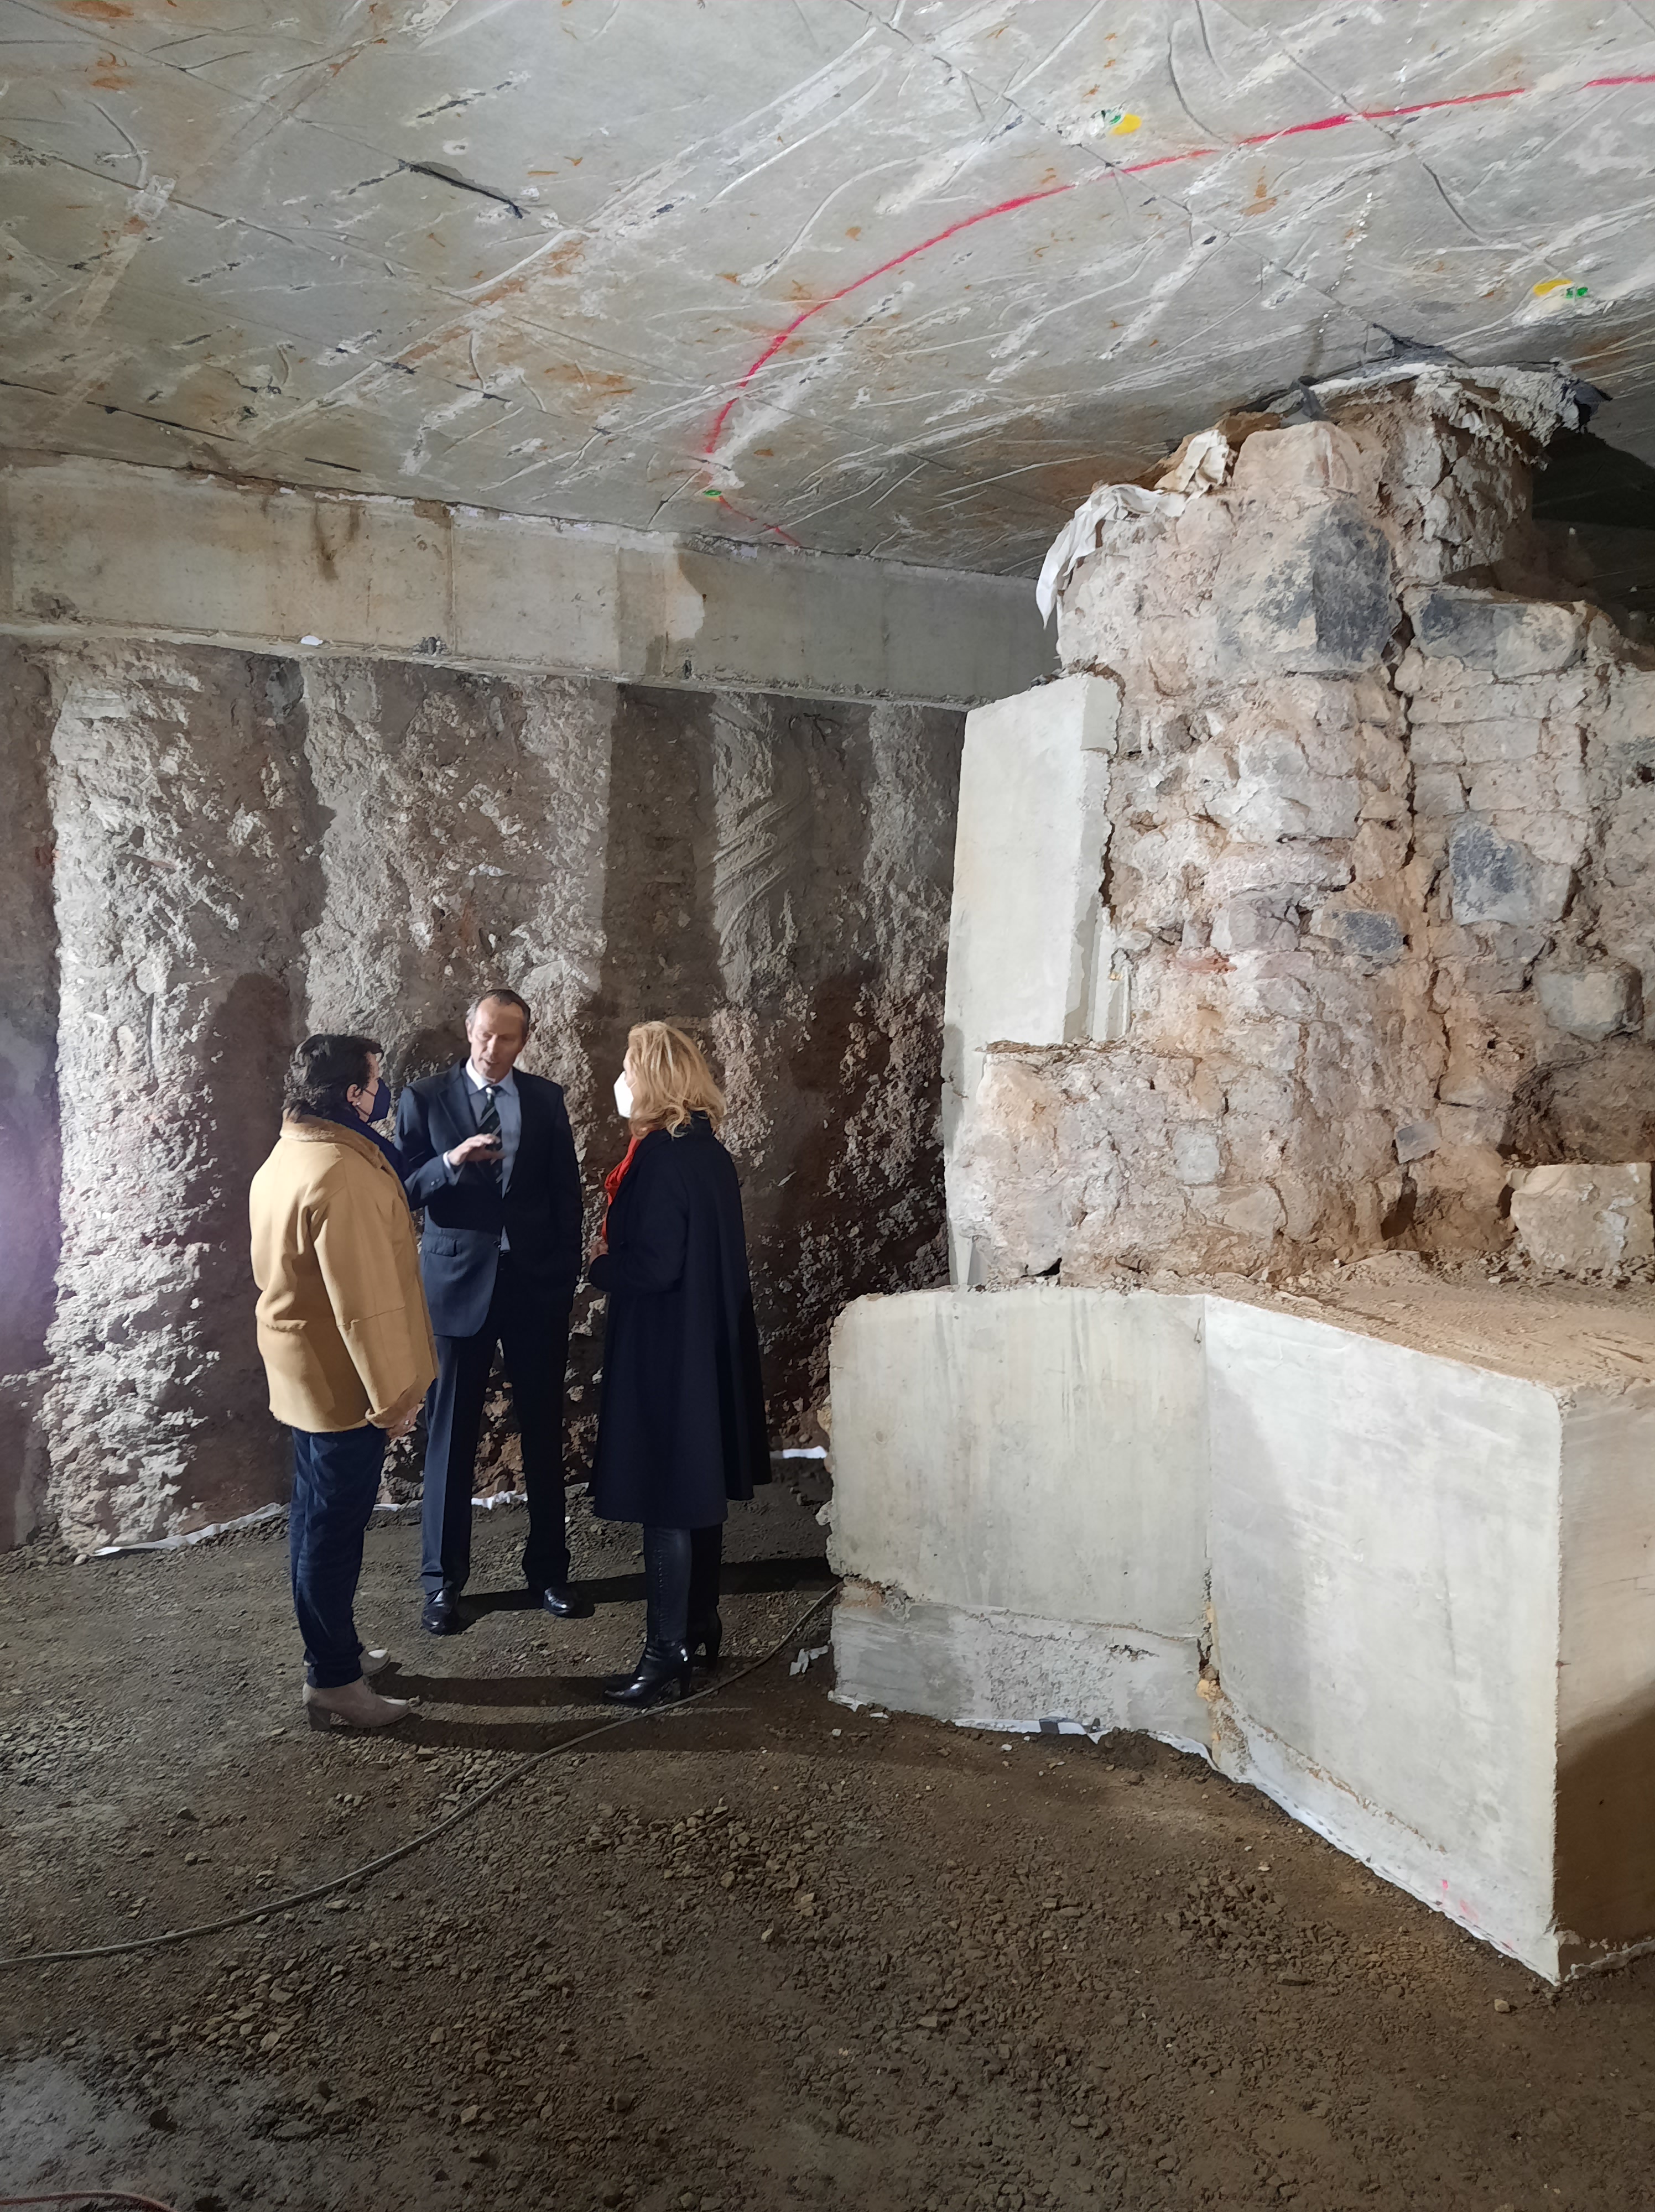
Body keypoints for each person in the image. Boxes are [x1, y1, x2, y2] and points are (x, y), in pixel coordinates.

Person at [250, 1034, 436, 1731]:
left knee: (313, 1518)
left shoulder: (290, 1152)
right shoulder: (342, 1173)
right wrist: (394, 1399)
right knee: (332, 1531)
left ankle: (337, 1650)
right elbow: (365, 1304)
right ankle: (332, 1678)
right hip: (344, 1384)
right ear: (354, 1095)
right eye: (376, 1078)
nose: (383, 1089)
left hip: (307, 1373)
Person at [588, 1022, 771, 1705]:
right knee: (698, 1492)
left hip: (665, 1352)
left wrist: (603, 1267)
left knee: (666, 1498)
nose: (620, 1081)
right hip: (704, 1346)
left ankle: (665, 1653)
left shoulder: (662, 1159)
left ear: (652, 1079)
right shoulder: (707, 1152)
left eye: (628, 1069)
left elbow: (657, 1265)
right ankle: (699, 1626)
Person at [397, 988, 586, 1635]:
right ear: (468, 1028)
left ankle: (550, 1572)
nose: (492, 1047)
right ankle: (442, 1584)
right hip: (456, 1287)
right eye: (484, 1033)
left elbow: (566, 1194)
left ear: (523, 1041)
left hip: (534, 1286)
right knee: (450, 1436)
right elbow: (402, 1189)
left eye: (506, 1037)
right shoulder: (424, 1098)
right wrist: (450, 1162)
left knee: (544, 1430)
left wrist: (562, 1274)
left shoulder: (545, 1099)